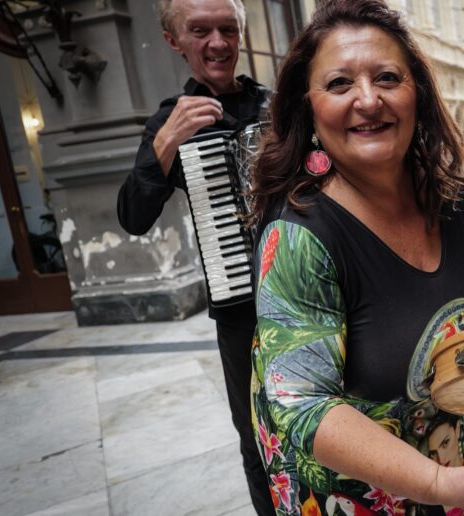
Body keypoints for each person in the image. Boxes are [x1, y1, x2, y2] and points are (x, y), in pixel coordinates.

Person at [247, 1, 464, 514]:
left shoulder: (452, 201)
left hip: (451, 461)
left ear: (417, 91)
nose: (368, 100)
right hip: (355, 495)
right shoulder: (300, 236)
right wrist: (432, 484)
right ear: (308, 106)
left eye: (387, 77)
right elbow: (302, 403)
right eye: (340, 84)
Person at [116, 0, 274, 513]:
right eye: (199, 30)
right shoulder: (169, 122)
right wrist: (166, 141)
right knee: (256, 438)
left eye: (228, 29)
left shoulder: (279, 106)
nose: (218, 42)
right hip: (240, 310)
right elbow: (133, 216)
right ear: (173, 40)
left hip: (309, 292)